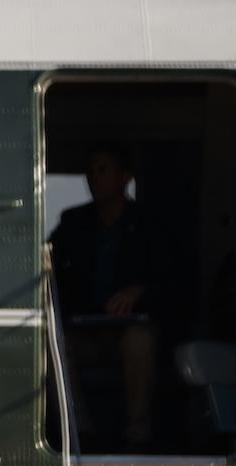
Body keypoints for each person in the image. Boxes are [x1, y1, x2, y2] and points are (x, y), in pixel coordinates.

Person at [49, 142, 157, 448]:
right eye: (90, 171)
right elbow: (49, 266)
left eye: (103, 169)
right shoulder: (73, 223)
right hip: (85, 332)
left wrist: (139, 290)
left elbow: (173, 279)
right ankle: (79, 435)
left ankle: (138, 437)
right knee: (54, 343)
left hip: (128, 331)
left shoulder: (149, 223)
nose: (94, 178)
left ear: (125, 177)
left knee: (141, 340)